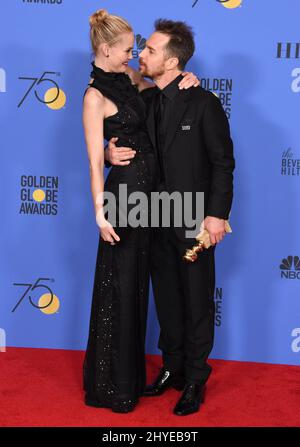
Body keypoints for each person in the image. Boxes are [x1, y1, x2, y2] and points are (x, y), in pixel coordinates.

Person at [105, 19, 235, 416]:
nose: (141, 54)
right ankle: (172, 368)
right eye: (142, 48)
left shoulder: (204, 102)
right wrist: (108, 155)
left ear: (173, 61)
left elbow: (223, 164)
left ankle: (195, 379)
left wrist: (216, 216)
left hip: (194, 219)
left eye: (151, 50)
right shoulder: (145, 100)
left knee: (196, 301)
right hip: (153, 216)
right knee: (165, 299)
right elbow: (113, 129)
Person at [82, 9, 199, 413]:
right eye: (128, 49)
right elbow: (96, 164)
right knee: (120, 287)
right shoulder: (94, 97)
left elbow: (165, 86)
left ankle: (135, 375)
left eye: (137, 48)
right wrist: (100, 214)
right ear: (105, 49)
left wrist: (189, 78)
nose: (134, 55)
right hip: (125, 201)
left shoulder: (132, 79)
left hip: (154, 200)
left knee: (140, 287)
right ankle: (111, 384)